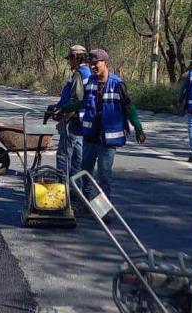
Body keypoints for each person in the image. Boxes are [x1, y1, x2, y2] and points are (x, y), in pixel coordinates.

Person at [62, 49, 146, 206]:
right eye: (91, 64)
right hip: (90, 137)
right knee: (84, 172)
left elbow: (129, 108)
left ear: (106, 63)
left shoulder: (117, 84)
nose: (93, 67)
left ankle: (103, 209)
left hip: (108, 141)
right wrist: (65, 108)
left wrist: (139, 129)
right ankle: (85, 202)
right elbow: (84, 102)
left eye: (96, 64)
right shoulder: (91, 83)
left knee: (104, 177)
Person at [49, 45, 91, 180]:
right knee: (77, 157)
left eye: (70, 59)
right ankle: (74, 187)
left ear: (75, 58)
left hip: (73, 121)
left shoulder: (79, 74)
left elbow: (75, 101)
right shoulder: (88, 72)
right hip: (81, 121)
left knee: (64, 155)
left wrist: (63, 120)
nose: (69, 62)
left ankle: (62, 186)